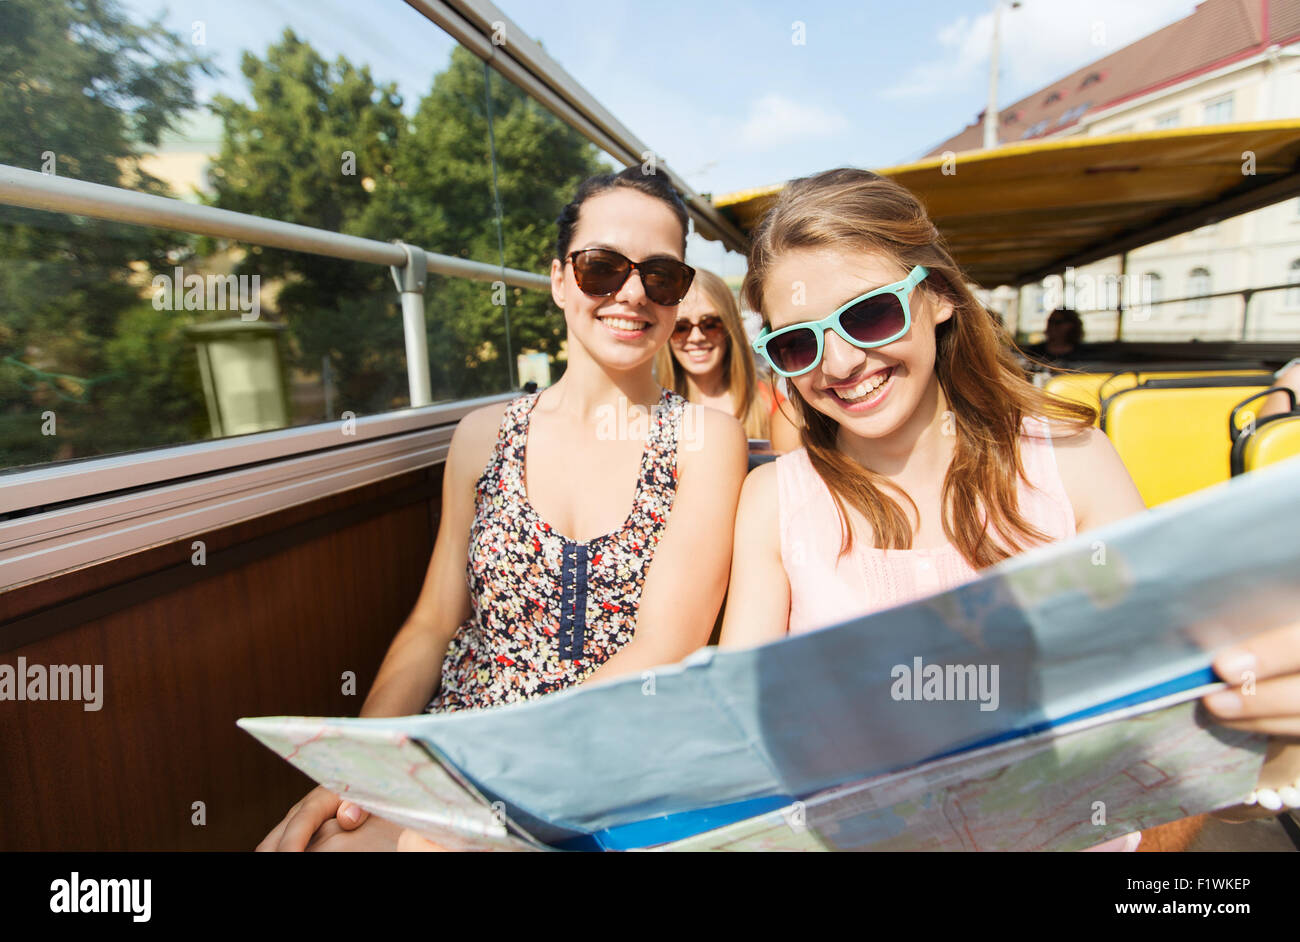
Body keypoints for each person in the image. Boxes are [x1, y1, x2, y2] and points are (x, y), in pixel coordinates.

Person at [718, 167, 1300, 847]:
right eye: (797, 342)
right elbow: (740, 742)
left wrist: (1269, 743)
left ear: (937, 297)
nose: (841, 362)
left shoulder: (1070, 461)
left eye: (869, 313)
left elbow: (1173, 726)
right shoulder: (775, 501)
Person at [257, 165, 748, 851]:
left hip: (603, 754)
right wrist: (358, 771)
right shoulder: (483, 437)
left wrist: (492, 780)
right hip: (464, 735)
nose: (633, 292)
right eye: (602, 267)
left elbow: (665, 645)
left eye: (661, 275)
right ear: (557, 280)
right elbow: (432, 625)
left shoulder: (704, 439)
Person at [655, 268, 800, 452]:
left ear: (730, 327)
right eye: (681, 327)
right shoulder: (645, 406)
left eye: (710, 324)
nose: (697, 337)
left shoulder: (776, 407)